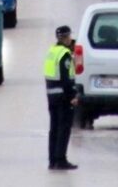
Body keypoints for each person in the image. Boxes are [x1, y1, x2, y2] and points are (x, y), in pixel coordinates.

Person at [44, 26, 78, 170]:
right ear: (65, 37)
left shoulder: (52, 51)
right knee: (64, 129)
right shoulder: (64, 54)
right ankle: (61, 160)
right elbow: (66, 79)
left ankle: (52, 160)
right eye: (69, 36)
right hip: (63, 96)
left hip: (51, 95)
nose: (71, 39)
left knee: (54, 128)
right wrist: (72, 96)